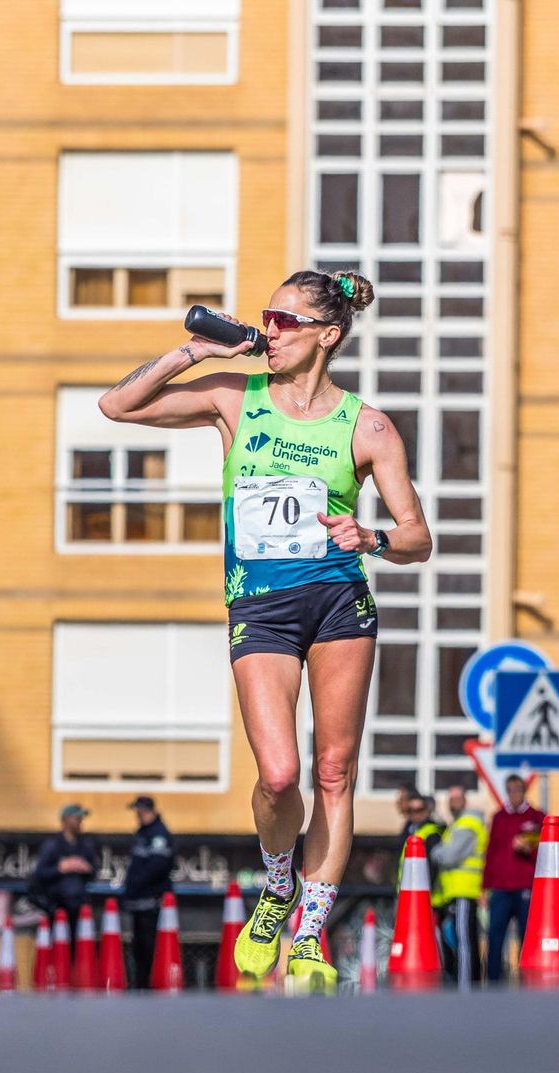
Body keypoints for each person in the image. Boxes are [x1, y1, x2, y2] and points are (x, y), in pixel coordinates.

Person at [100, 270, 431, 992]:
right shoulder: (234, 397)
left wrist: (369, 535)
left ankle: (309, 934)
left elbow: (417, 538)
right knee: (280, 776)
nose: (270, 331)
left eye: (284, 320)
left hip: (340, 604)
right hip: (261, 608)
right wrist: (194, 353)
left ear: (327, 335)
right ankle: (278, 885)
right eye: (265, 319)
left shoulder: (367, 426)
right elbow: (116, 406)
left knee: (334, 773)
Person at [482, 774, 544, 984]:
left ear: (524, 790)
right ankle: (493, 981)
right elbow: (491, 852)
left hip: (525, 885)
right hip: (500, 887)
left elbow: (541, 852)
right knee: (495, 934)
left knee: (526, 936)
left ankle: (527, 979)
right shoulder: (499, 817)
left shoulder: (537, 817)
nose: (514, 794)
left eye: (518, 789)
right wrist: (485, 886)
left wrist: (528, 848)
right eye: (510, 789)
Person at [430, 784, 488, 984]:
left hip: (465, 890)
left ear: (464, 800)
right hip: (454, 891)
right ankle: (463, 981)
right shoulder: (457, 824)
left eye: (457, 799)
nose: (453, 803)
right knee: (457, 939)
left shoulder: (467, 823)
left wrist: (435, 852)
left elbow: (449, 856)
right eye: (450, 799)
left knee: (464, 941)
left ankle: (466, 985)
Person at [121, 795, 175, 990]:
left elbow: (157, 867)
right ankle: (141, 982)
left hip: (151, 901)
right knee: (139, 945)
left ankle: (149, 982)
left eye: (139, 811)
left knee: (149, 944)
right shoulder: (142, 834)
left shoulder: (158, 834)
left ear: (146, 810)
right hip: (139, 900)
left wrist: (137, 884)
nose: (137, 815)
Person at [30, 803, 99, 935]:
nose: (80, 822)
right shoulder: (52, 846)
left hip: (78, 905)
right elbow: (40, 873)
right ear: (65, 820)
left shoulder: (84, 845)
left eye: (81, 819)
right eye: (76, 818)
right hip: (56, 906)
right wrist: (60, 868)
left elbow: (94, 871)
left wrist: (86, 868)